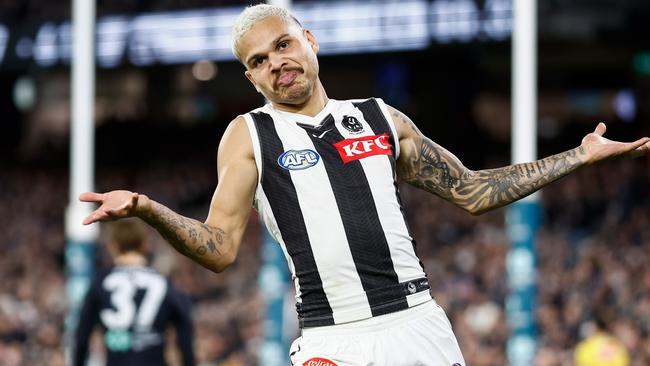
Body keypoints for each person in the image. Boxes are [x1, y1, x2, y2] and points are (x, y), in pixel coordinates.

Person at [79, 4, 650, 365]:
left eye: (283, 44)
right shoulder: (248, 134)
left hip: (415, 324)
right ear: (250, 77)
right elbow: (220, 248)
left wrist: (579, 156)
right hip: (332, 338)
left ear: (309, 40)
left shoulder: (380, 118)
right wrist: (148, 208)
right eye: (259, 59)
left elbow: (473, 191)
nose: (277, 62)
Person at [73, 219, 195, 366]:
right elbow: (185, 330)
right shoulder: (164, 283)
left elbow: (81, 339)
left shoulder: (100, 283)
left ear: (113, 246)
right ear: (144, 244)